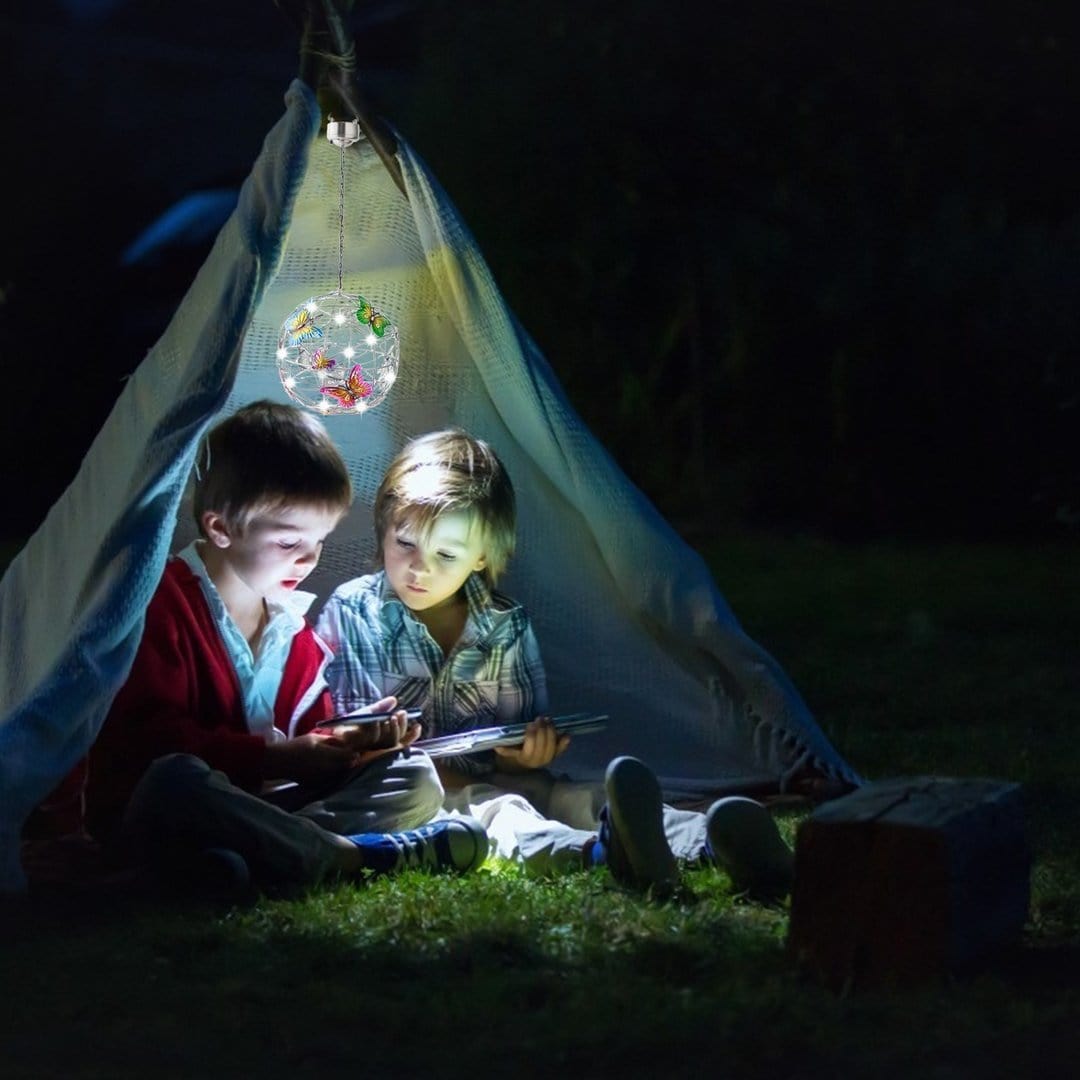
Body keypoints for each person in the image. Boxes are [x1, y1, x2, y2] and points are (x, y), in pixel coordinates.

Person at [316, 429, 793, 900]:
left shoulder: (504, 624)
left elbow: (514, 737)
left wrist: (526, 753)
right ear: (384, 529)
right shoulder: (355, 612)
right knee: (503, 812)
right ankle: (601, 853)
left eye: (446, 554)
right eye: (405, 544)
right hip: (416, 790)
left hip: (497, 775)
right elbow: (365, 750)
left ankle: (710, 839)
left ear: (480, 557)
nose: (419, 568)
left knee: (576, 795)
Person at [73, 402, 487, 895]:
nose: (310, 559)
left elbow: (310, 741)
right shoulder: (162, 606)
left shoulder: (294, 632)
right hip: (163, 812)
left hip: (266, 810)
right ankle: (344, 856)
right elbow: (149, 744)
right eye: (290, 542)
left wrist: (351, 742)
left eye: (320, 541)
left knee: (414, 776)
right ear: (220, 528)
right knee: (175, 780)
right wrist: (282, 758)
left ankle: (251, 862)